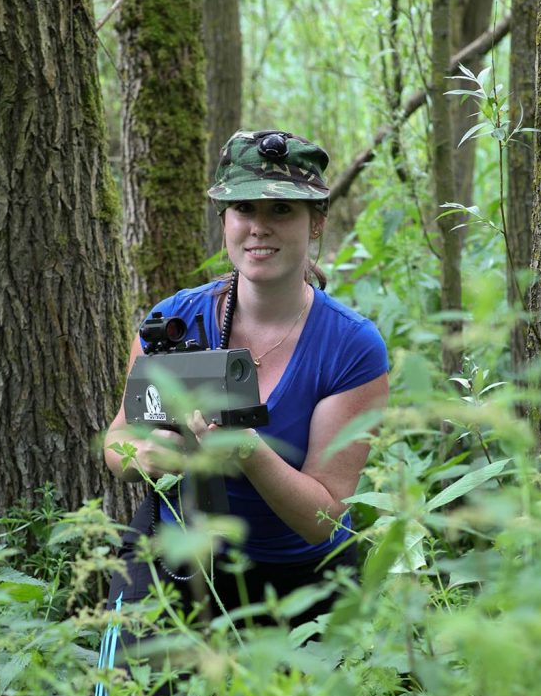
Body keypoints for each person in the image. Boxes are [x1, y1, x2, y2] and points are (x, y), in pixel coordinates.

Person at [103, 129, 389, 632]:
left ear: (316, 222)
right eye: (243, 209)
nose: (259, 227)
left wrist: (249, 451)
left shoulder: (350, 346)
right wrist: (143, 457)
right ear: (224, 221)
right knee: (128, 684)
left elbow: (321, 520)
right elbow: (118, 440)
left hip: (300, 573)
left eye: (281, 210)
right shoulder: (174, 322)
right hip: (178, 552)